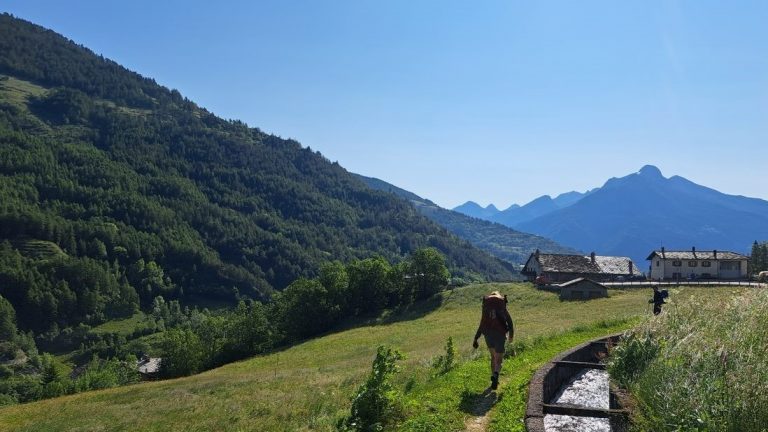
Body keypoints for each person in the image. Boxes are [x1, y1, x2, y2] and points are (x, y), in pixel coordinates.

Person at [472, 291, 514, 390]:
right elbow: (510, 323)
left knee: (493, 356)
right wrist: (511, 336)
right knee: (499, 360)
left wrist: (476, 338)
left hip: (488, 335)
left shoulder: (486, 308)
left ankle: (493, 378)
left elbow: (482, 324)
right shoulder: (502, 308)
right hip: (500, 335)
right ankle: (496, 374)